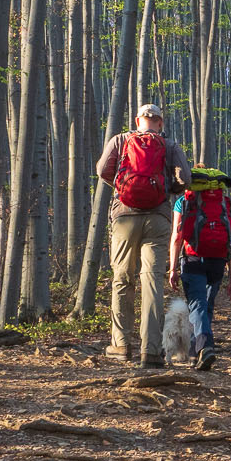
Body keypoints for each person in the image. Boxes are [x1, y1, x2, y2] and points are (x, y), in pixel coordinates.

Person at [95, 104, 190, 366]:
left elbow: (103, 169)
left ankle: (121, 345)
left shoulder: (121, 140)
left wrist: (122, 187)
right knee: (151, 282)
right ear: (159, 122)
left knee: (122, 279)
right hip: (157, 217)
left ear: (138, 120)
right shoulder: (169, 145)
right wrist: (166, 188)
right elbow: (186, 178)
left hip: (124, 215)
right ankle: (150, 350)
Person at [168, 166, 231, 371]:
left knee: (197, 305)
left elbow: (176, 237)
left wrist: (172, 268)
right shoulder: (222, 202)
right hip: (218, 260)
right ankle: (197, 352)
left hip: (193, 260)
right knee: (206, 307)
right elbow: (230, 242)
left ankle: (204, 347)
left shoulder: (184, 202)